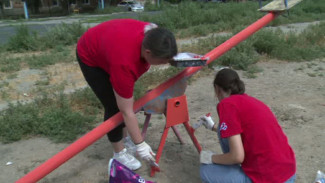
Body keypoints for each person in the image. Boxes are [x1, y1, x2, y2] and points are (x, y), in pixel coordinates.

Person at [76, 19, 177, 170]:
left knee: (123, 99)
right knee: (114, 107)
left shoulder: (153, 34)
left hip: (110, 43)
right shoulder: (125, 63)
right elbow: (126, 111)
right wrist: (140, 144)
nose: (165, 63)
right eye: (162, 61)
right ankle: (119, 153)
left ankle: (126, 138)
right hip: (90, 53)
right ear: (148, 53)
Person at [198, 68, 296, 183]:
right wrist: (214, 127)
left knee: (206, 170)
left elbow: (237, 157)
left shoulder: (226, 105)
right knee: (221, 130)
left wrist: (211, 158)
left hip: (268, 179)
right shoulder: (251, 101)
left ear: (217, 89)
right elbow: (248, 131)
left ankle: (235, 171)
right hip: (288, 174)